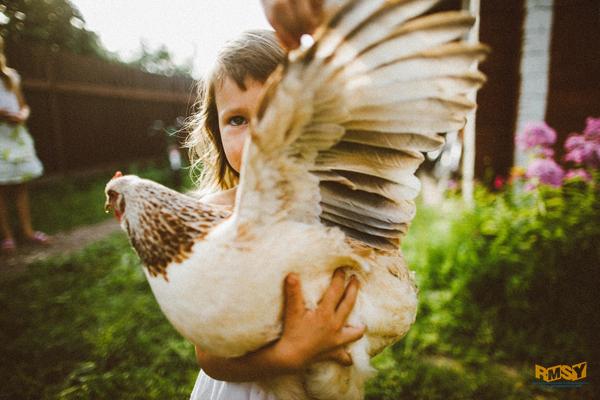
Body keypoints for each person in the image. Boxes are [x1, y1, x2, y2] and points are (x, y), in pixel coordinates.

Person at [186, 28, 365, 400]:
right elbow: (209, 356)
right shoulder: (213, 220)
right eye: (237, 120)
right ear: (216, 134)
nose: (260, 136)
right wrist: (289, 354)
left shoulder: (330, 206)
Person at [0, 36, 48, 254]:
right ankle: (7, 236)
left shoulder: (11, 77)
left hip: (15, 137)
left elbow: (23, 105)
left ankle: (27, 232)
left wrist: (22, 115)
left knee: (20, 186)